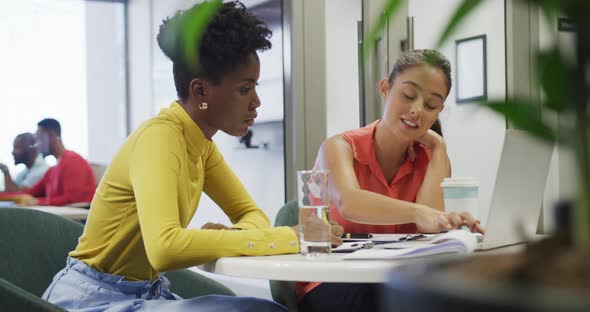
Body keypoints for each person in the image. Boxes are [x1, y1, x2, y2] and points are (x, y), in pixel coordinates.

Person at [42, 2, 342, 311]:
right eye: (244, 89)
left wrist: (234, 234)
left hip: (146, 292)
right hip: (90, 299)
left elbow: (252, 216)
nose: (256, 102)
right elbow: (166, 249)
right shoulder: (160, 138)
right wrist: (289, 236)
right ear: (200, 92)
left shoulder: (201, 145)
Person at [297, 49, 485, 312]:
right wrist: (418, 212)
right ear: (385, 88)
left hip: (393, 280)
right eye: (408, 96)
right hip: (333, 281)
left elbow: (430, 225)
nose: (417, 110)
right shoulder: (338, 147)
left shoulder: (431, 158)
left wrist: (439, 146)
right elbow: (350, 203)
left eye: (431, 105)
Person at [0, 118, 97, 206]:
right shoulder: (52, 170)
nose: (37, 146)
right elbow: (27, 194)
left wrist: (38, 202)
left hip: (80, 221)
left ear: (51, 135)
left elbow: (73, 199)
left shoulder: (73, 160)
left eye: (39, 139)